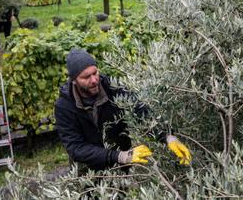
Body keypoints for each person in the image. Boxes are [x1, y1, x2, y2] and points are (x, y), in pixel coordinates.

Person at [54, 48, 192, 172]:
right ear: (74, 80)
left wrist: (168, 137)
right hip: (88, 173)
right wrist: (119, 156)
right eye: (86, 77)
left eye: (95, 73)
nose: (94, 80)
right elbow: (76, 148)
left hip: (120, 168)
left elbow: (141, 112)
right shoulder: (64, 106)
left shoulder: (114, 89)